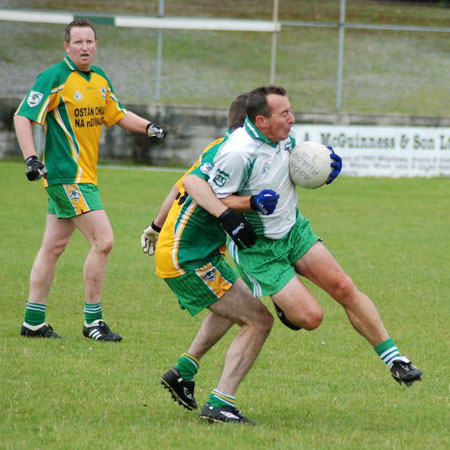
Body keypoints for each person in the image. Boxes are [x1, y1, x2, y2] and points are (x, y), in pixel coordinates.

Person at [207, 85, 422, 387]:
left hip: (294, 231)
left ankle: (396, 359)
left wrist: (324, 168)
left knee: (344, 286)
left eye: (291, 111)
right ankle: (285, 303)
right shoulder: (237, 153)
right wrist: (251, 202)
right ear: (261, 121)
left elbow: (297, 169)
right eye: (284, 114)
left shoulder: (284, 139)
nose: (292, 119)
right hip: (260, 249)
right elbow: (215, 197)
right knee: (310, 318)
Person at [14, 19, 167, 341]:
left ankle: (33, 322)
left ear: (95, 45)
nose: (84, 47)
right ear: (66, 46)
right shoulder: (54, 78)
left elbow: (118, 113)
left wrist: (149, 127)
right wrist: (31, 158)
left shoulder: (99, 79)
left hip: (85, 178)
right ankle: (93, 322)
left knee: (53, 247)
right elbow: (23, 116)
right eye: (78, 42)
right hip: (68, 178)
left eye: (89, 41)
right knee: (104, 241)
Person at [143, 94, 279, 425]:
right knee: (259, 320)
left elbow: (179, 186)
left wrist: (156, 226)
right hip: (187, 257)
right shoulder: (232, 153)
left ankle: (183, 372)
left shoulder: (223, 147)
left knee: (238, 301)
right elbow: (189, 185)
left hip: (198, 252)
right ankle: (220, 403)